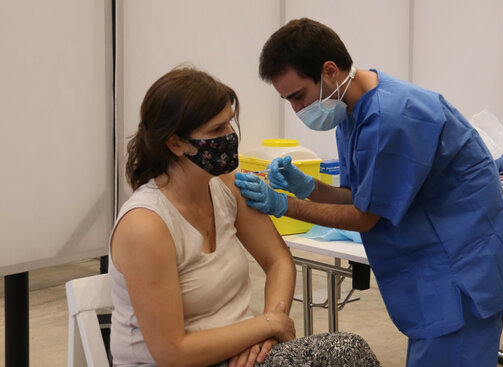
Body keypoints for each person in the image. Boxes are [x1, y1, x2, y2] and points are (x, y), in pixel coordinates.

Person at [235, 18, 503, 367]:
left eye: (298, 96)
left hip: (461, 275)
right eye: (287, 100)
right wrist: (310, 187)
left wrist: (284, 205)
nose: (297, 110)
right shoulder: (350, 111)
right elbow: (362, 196)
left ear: (329, 71)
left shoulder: (394, 117)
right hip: (434, 275)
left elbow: (364, 217)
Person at [108, 66, 381, 367]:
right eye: (215, 130)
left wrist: (269, 326)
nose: (229, 137)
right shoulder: (146, 226)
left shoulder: (226, 185)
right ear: (175, 144)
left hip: (242, 353)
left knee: (349, 349)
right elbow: (172, 353)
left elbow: (278, 261)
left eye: (229, 124)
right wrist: (265, 326)